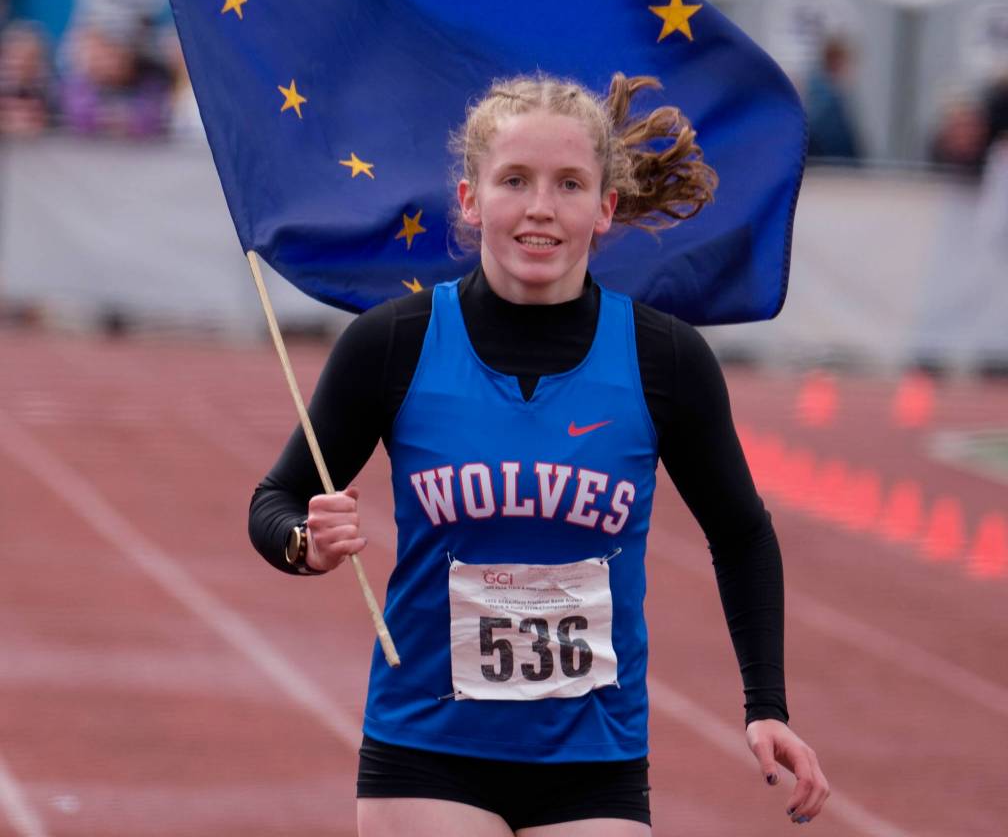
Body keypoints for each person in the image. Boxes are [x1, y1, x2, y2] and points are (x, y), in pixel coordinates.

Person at [249, 72, 830, 835]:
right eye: (515, 181)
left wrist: (767, 706)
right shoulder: (394, 344)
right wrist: (305, 543)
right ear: (470, 200)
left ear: (604, 209)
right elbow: (276, 501)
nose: (541, 209)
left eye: (569, 185)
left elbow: (742, 533)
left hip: (596, 757)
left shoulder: (665, 361)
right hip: (427, 747)